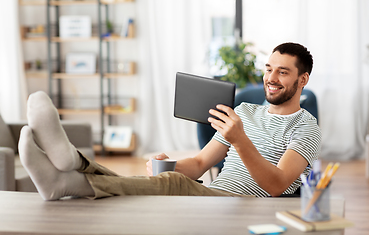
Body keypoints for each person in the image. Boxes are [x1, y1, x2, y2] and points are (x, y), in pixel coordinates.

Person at [19, 42, 321, 201]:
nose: (270, 78)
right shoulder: (244, 111)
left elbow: (279, 185)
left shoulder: (306, 127)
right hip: (212, 194)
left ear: (302, 79)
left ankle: (70, 172)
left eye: (283, 72)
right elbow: (201, 164)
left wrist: (240, 141)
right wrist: (171, 165)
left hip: (240, 202)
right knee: (165, 179)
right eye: (269, 69)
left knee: (169, 186)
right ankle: (67, 171)